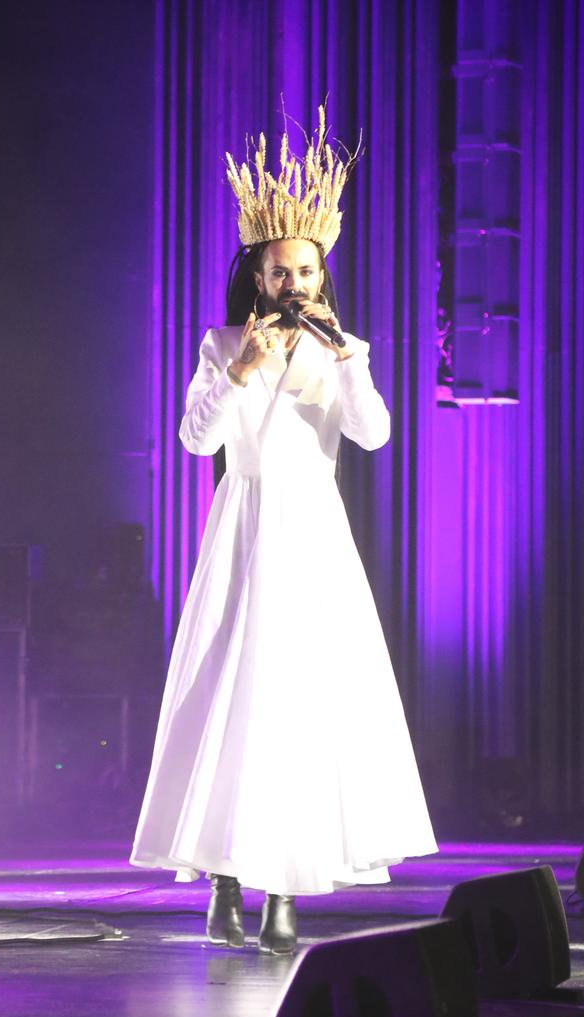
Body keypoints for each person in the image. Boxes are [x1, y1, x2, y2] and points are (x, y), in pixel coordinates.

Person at [130, 109, 437, 953]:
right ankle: (225, 880)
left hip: (312, 537)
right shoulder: (224, 344)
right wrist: (237, 377)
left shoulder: (346, 350)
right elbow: (198, 439)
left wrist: (351, 362)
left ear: (321, 278)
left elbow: (373, 434)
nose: (293, 283)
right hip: (244, 530)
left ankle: (285, 898)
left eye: (305, 270)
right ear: (259, 279)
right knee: (235, 703)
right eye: (279, 272)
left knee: (304, 708)